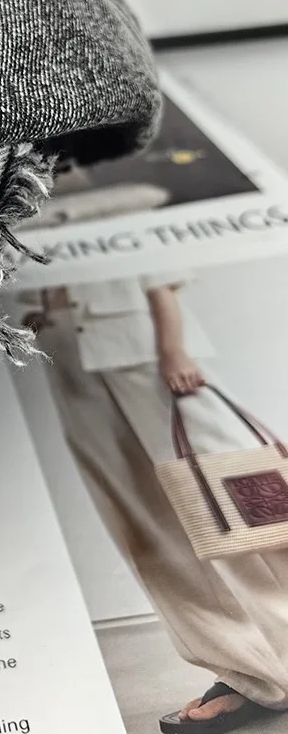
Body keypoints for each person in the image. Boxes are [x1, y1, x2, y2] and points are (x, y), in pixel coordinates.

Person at [22, 270, 288, 732]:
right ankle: (250, 673)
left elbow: (154, 262)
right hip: (63, 350)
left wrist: (172, 345)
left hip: (141, 341)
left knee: (247, 513)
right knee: (147, 529)